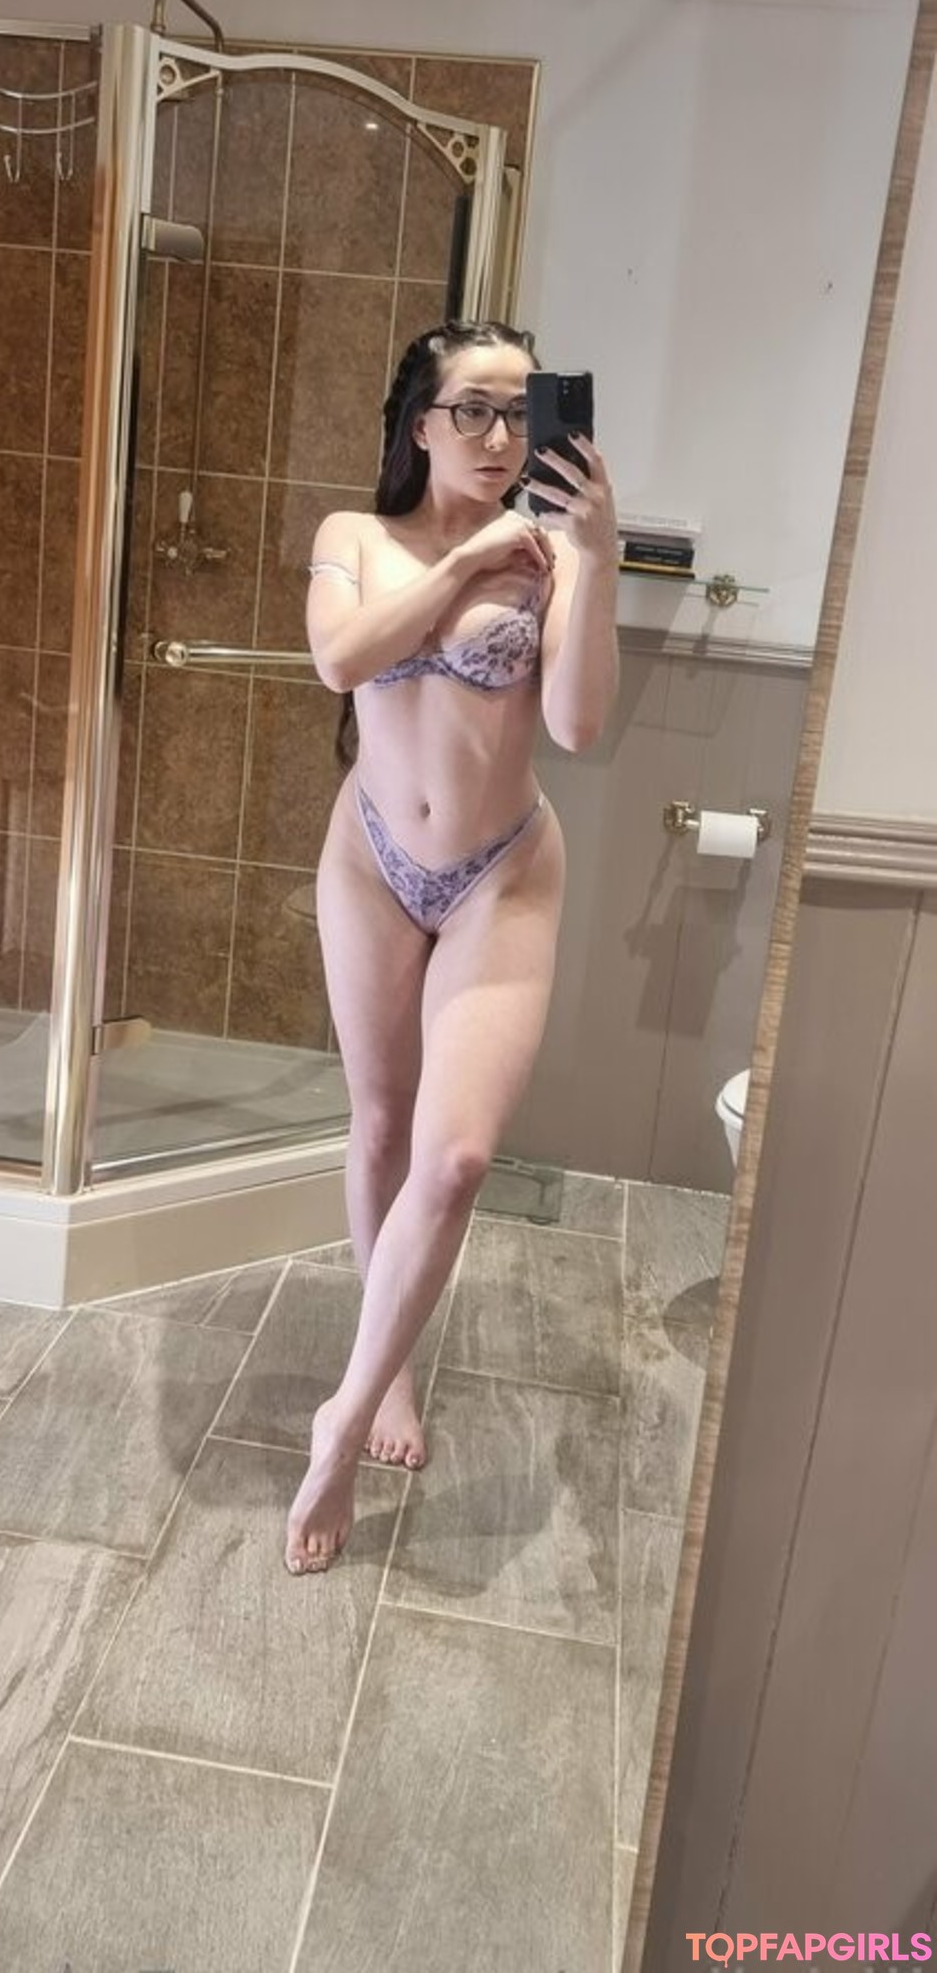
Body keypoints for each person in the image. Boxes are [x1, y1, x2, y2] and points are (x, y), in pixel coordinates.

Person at [285, 318, 619, 1575]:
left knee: (460, 1152)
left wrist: (593, 556)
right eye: (473, 408)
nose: (499, 434)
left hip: (502, 872)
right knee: (380, 1126)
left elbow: (579, 727)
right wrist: (471, 557)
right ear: (420, 423)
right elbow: (339, 657)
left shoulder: (556, 553)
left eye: (522, 412)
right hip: (373, 862)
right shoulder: (355, 539)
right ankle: (390, 1369)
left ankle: (341, 1420)